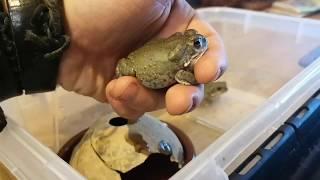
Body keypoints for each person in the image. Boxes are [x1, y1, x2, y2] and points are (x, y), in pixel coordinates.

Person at [1, 0, 227, 122]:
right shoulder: (182, 67)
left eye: (197, 42)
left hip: (134, 62)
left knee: (138, 92)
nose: (200, 43)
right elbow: (182, 75)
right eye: (197, 44)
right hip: (137, 69)